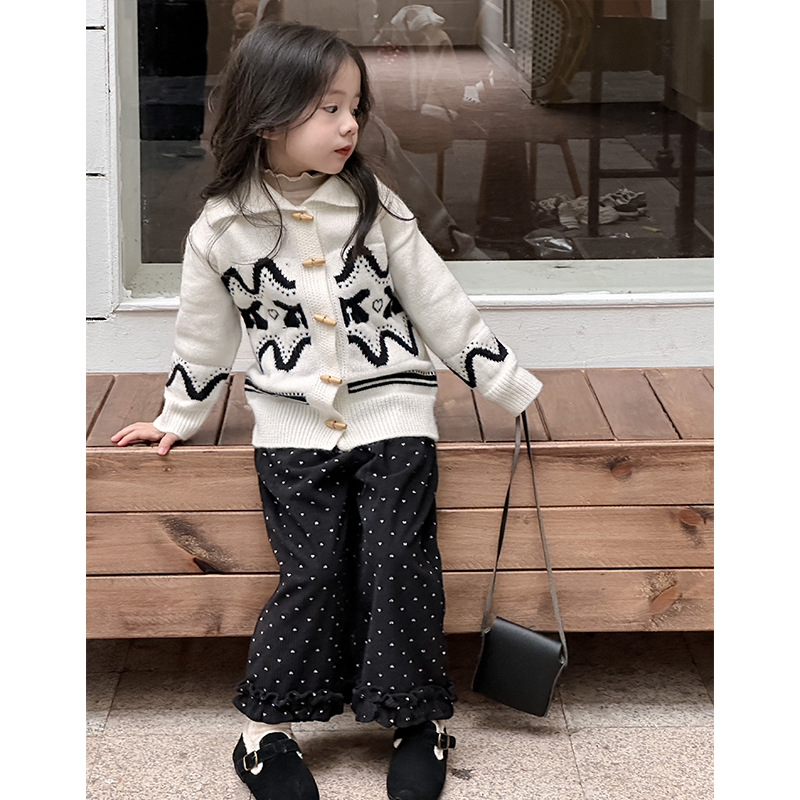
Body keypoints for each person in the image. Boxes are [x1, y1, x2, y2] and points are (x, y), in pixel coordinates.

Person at [112, 21, 542, 800]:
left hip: (395, 417)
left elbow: (441, 304)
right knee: (311, 574)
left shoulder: (377, 207)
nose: (350, 126)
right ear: (267, 114)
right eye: (329, 108)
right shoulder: (221, 229)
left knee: (399, 564)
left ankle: (417, 720)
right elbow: (203, 341)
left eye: (355, 108)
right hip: (291, 430)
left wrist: (505, 383)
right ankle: (264, 730)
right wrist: (176, 418)